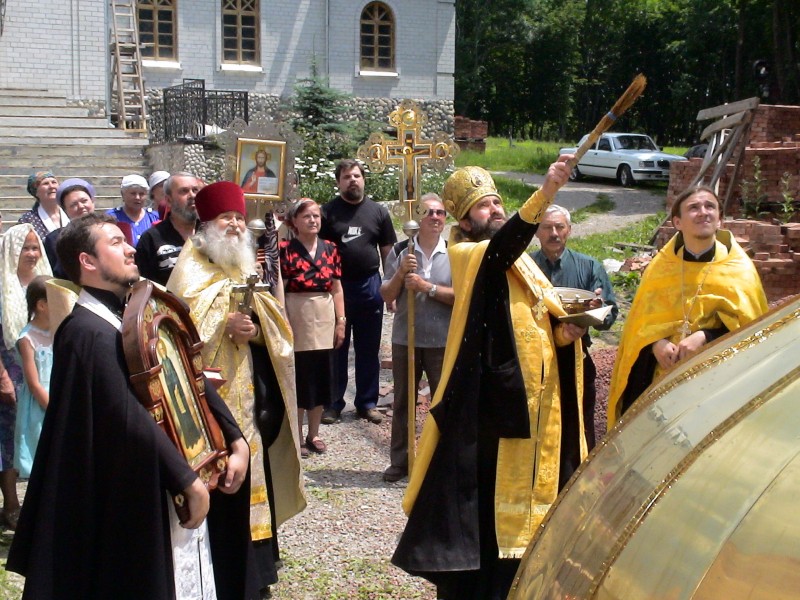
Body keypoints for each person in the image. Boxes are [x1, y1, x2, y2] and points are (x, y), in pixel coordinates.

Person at [6, 212, 259, 599]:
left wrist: (235, 438)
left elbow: (190, 374)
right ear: (87, 261)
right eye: (114, 242)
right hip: (135, 494)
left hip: (171, 475)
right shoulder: (84, 331)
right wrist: (185, 479)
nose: (129, 249)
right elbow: (123, 413)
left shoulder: (136, 314)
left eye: (126, 241)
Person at [391, 160, 587, 599]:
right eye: (484, 206)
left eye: (498, 202)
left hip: (534, 409)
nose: (496, 210)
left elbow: (536, 319)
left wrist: (565, 333)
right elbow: (500, 249)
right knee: (487, 516)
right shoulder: (468, 253)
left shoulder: (525, 263)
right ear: (464, 221)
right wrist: (547, 191)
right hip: (490, 411)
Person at [167, 181, 305, 597]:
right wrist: (221, 325)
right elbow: (174, 331)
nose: (235, 226)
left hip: (250, 400)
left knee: (253, 477)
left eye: (239, 219)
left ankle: (256, 573)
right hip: (210, 402)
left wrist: (255, 329)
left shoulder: (245, 267)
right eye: (226, 218)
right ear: (206, 224)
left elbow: (276, 328)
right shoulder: (189, 270)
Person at [608, 185, 768, 425]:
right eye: (694, 208)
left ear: (720, 220)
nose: (703, 212)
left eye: (710, 206)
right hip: (658, 384)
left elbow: (753, 332)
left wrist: (706, 338)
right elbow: (638, 325)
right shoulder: (660, 268)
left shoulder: (740, 270)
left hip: (716, 390)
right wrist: (654, 344)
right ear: (677, 222)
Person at [380, 193, 454, 483]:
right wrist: (401, 273)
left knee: (443, 402)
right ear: (417, 218)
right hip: (406, 339)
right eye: (429, 212)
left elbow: (461, 296)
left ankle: (441, 461)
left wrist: (427, 287)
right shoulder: (402, 250)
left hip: (442, 341)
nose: (435, 217)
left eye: (440, 213)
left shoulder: (454, 252)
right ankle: (400, 461)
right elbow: (386, 294)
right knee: (403, 401)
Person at [532, 204, 618, 449]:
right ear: (537, 231)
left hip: (577, 356)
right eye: (547, 227)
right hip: (534, 359)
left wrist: (596, 309)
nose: (554, 233)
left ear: (569, 230)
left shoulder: (589, 266)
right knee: (537, 427)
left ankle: (582, 469)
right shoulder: (525, 266)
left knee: (580, 424)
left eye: (559, 227)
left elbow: (610, 314)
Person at [319, 159, 397, 424]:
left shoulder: (379, 212)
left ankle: (367, 403)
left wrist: (390, 289)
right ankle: (333, 404)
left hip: (370, 286)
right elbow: (320, 252)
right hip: (337, 287)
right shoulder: (327, 213)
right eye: (346, 177)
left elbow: (387, 252)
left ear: (364, 179)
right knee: (336, 347)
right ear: (338, 182)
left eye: (356, 176)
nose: (352, 180)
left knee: (369, 348)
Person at [279, 199, 346, 458]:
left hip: (325, 316)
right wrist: (283, 320)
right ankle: (296, 436)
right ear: (294, 221)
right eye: (306, 216)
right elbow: (280, 290)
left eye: (316, 215)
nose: (313, 220)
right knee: (300, 378)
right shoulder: (285, 250)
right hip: (297, 315)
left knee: (321, 378)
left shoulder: (331, 248)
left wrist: (341, 321)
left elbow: (337, 288)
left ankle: (314, 433)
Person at [14, 275, 52, 479]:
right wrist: (53, 408)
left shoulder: (58, 330)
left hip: (59, 396)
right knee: (42, 455)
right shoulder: (27, 338)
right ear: (42, 305)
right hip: (40, 405)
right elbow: (34, 383)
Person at [136, 172, 202, 286]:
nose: (192, 196)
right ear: (169, 200)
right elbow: (144, 285)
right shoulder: (151, 239)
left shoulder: (212, 233)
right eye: (184, 191)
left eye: (195, 190)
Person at [44, 178, 96, 278]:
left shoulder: (109, 229)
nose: (81, 206)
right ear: (65, 210)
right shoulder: (55, 239)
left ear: (92, 201)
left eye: (84, 201)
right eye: (73, 204)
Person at [106, 174, 159, 245]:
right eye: (133, 193)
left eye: (141, 194)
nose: (137, 197)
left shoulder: (154, 217)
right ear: (123, 194)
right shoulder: (112, 217)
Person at [19, 171, 68, 240]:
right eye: (46, 183)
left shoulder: (71, 211)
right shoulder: (27, 220)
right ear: (36, 192)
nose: (51, 186)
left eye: (54, 182)